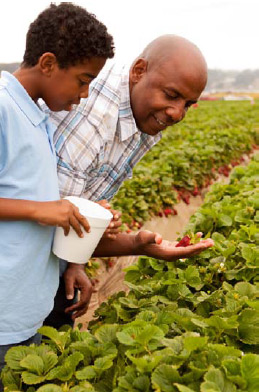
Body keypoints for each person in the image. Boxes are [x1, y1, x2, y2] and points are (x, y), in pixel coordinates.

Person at [43, 35, 214, 329]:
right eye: (172, 95)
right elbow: (52, 227)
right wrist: (135, 244)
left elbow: (79, 218)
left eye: (188, 104)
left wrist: (77, 263)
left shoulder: (140, 113)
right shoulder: (94, 116)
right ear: (138, 71)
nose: (177, 113)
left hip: (48, 256)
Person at [0, 2, 115, 382]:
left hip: (24, 318)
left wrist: (77, 221)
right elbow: (35, 207)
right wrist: (39, 210)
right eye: (83, 80)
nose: (84, 94)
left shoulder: (38, 117)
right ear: (48, 64)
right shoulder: (3, 108)